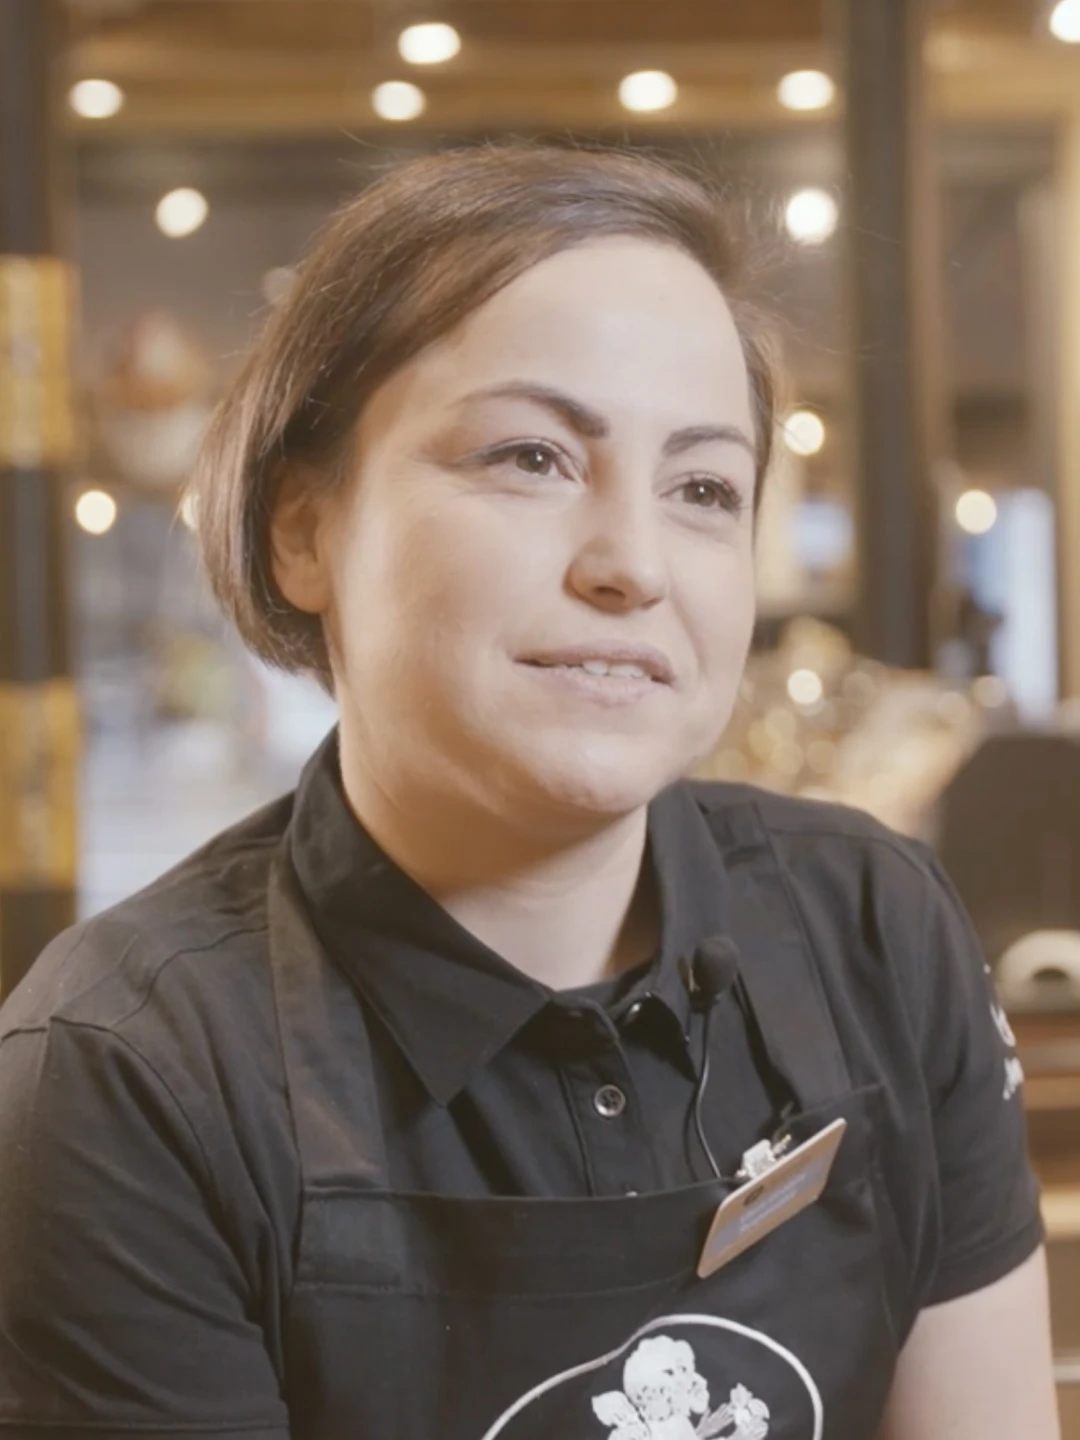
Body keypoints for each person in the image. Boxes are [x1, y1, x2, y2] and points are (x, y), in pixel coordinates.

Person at [0, 144, 1059, 1440]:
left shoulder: (874, 926)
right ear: (303, 526)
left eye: (704, 488)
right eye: (530, 458)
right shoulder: (130, 1074)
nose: (633, 563)